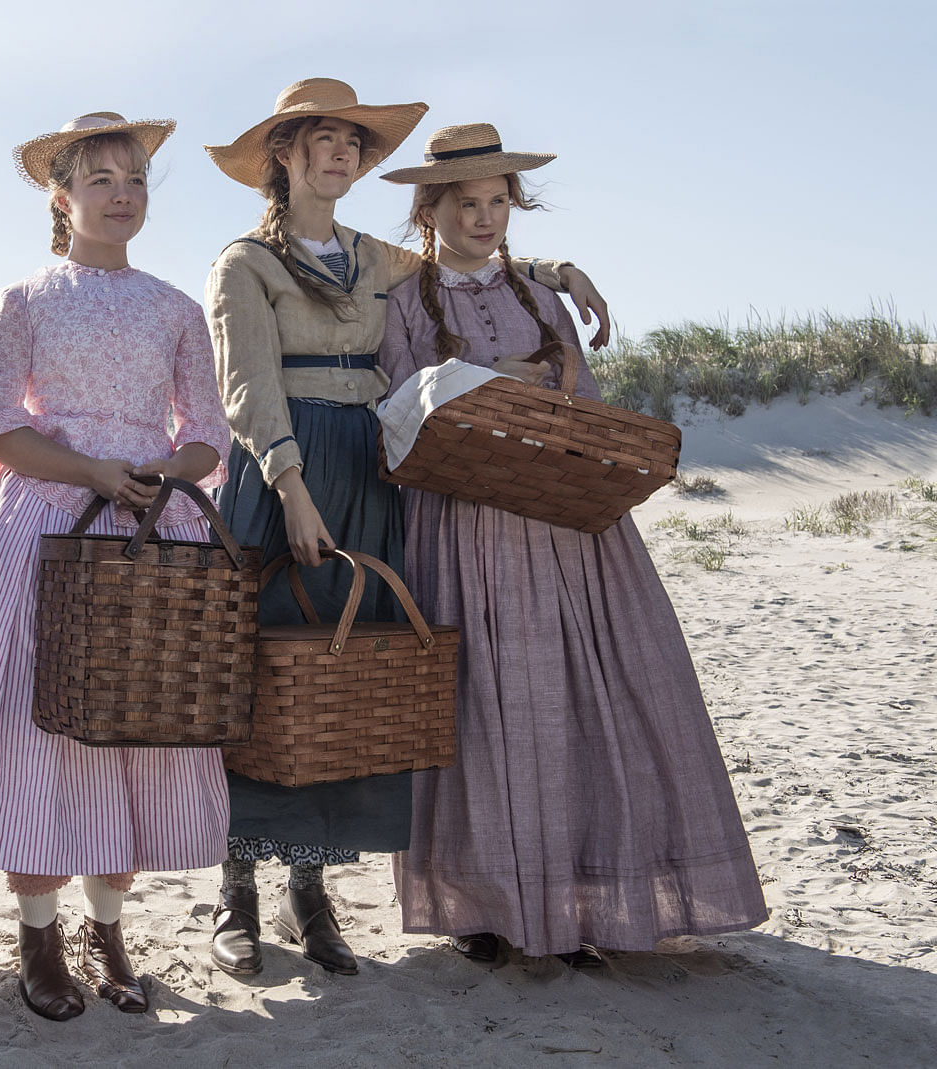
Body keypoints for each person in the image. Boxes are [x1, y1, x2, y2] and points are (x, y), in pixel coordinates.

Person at [201, 78, 610, 978]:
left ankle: (310, 892)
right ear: (284, 155)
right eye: (322, 139)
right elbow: (246, 389)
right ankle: (234, 893)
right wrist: (290, 484)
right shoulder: (243, 263)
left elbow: (463, 261)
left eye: (353, 140)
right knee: (265, 671)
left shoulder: (371, 255)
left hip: (371, 468)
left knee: (345, 672)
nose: (342, 152)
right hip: (287, 467)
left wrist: (555, 271)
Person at [376, 122, 768, 966]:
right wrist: (490, 387)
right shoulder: (406, 300)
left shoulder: (542, 298)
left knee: (590, 695)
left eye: (498, 202)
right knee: (485, 706)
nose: (486, 219)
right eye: (466, 203)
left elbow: (580, 404)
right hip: (463, 523)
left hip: (565, 522)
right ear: (429, 208)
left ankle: (585, 899)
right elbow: (399, 409)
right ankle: (487, 907)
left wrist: (547, 395)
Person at [0, 113, 234, 1021]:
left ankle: (108, 926)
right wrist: (94, 470)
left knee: (132, 723)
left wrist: (158, 474)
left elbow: (206, 436)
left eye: (134, 177)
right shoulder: (23, 300)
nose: (122, 193)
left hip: (149, 528)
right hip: (50, 520)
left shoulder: (174, 307)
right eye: (100, 179)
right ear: (64, 200)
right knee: (39, 731)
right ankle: (38, 931)